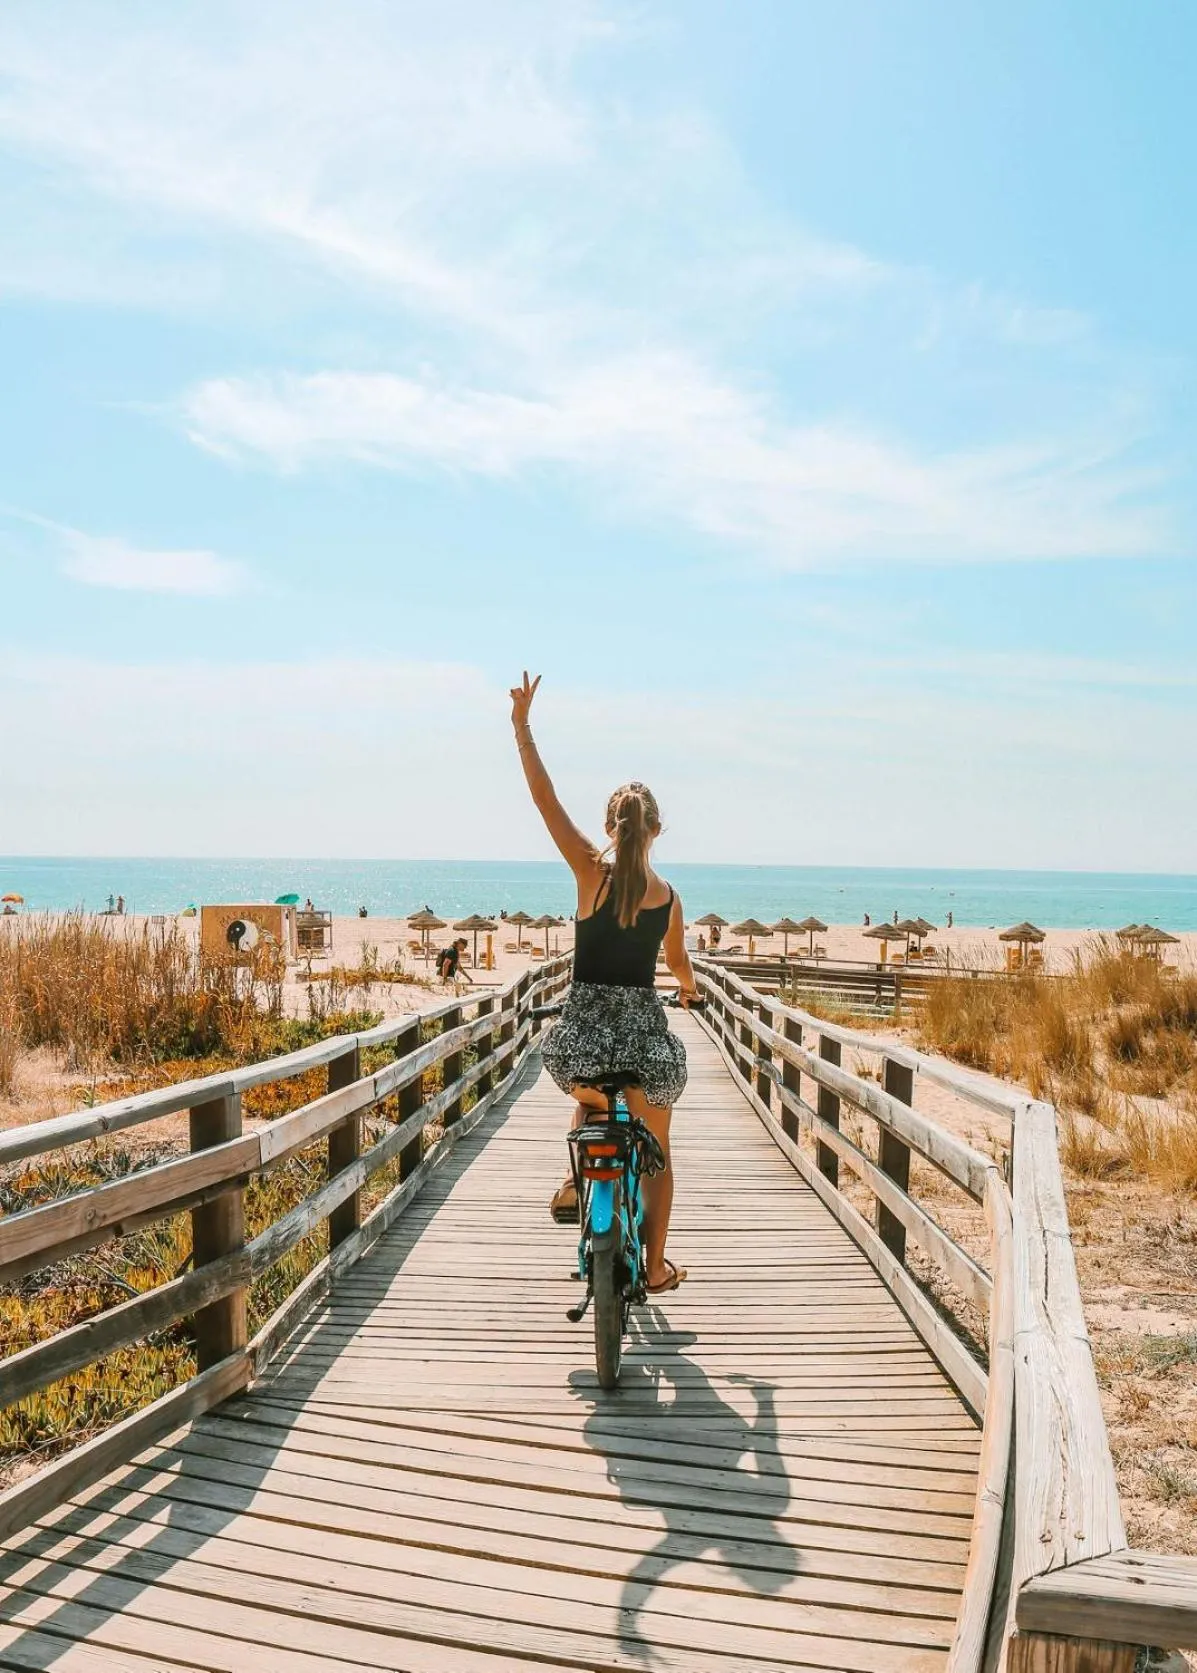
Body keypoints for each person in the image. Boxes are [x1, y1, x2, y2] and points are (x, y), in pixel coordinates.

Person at [510, 670, 697, 1295]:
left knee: (588, 1101)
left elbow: (543, 800)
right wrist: (689, 988)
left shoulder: (590, 873)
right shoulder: (668, 898)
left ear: (610, 826)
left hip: (582, 1045)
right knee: (659, 1150)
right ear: (656, 830)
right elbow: (677, 966)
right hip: (645, 1048)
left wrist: (522, 725)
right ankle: (653, 1265)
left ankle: (574, 1177)